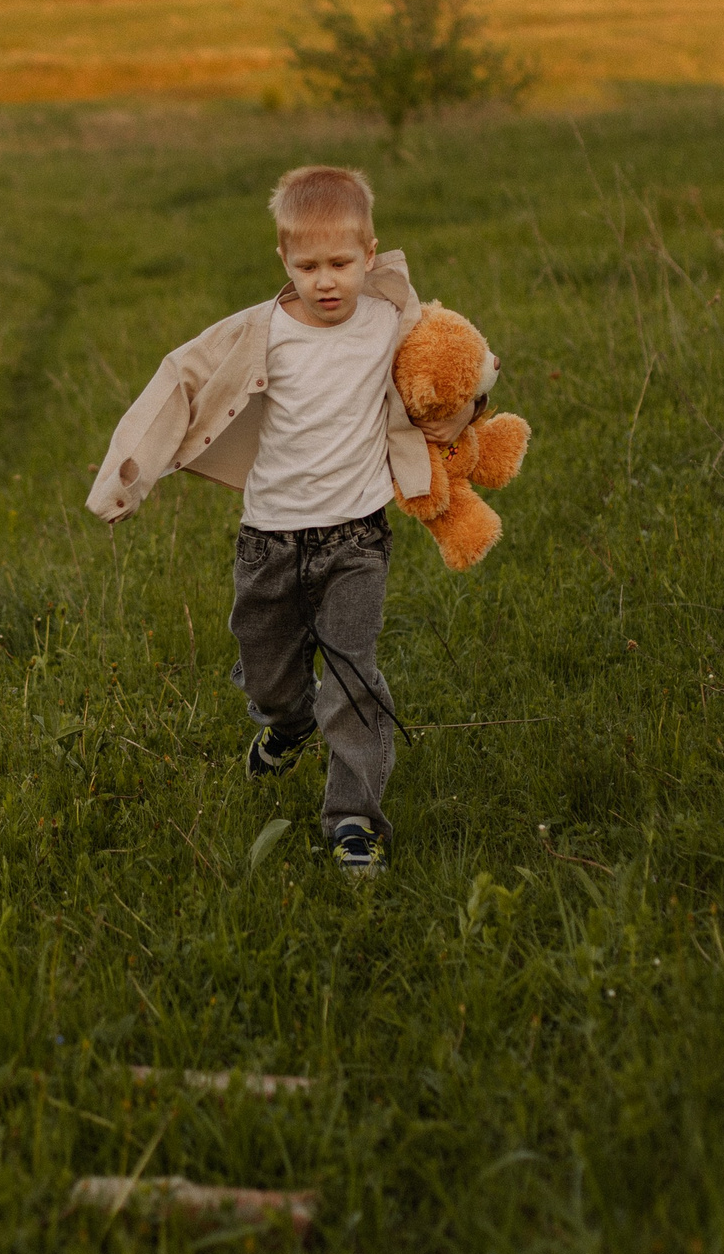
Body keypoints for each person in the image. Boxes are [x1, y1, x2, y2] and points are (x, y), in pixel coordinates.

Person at [87, 166, 472, 877]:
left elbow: (458, 365)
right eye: (307, 266)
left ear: (370, 254)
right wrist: (125, 480)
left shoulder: (390, 321)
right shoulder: (260, 331)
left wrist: (465, 411)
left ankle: (354, 820)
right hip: (268, 541)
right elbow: (177, 380)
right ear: (283, 261)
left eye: (341, 264)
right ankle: (288, 725)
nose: (326, 282)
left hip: (356, 538)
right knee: (268, 675)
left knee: (352, 677)